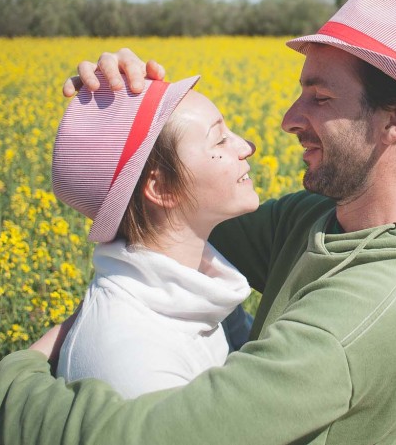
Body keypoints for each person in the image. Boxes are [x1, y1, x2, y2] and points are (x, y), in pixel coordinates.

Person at [0, 0, 396, 445]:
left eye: (322, 97)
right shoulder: (314, 220)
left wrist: (21, 376)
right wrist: (118, 122)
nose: (289, 119)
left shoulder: (368, 313)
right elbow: (169, 218)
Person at [49, 74, 258, 398]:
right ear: (161, 188)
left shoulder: (200, 290)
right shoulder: (136, 363)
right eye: (219, 140)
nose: (246, 147)